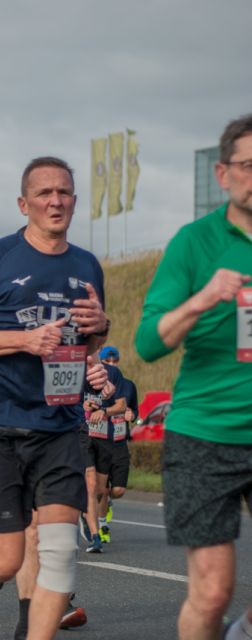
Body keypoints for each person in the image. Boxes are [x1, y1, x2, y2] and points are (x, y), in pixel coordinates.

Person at [0, 156, 109, 640]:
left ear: (75, 201)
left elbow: (86, 341)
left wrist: (100, 329)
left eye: (65, 193)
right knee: (8, 558)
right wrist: (22, 340)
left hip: (59, 424)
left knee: (58, 550)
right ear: (24, 203)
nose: (56, 201)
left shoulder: (87, 264)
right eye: (44, 194)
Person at [135, 113, 252, 640]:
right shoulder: (194, 242)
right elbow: (148, 342)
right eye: (249, 166)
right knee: (210, 593)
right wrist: (205, 297)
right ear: (223, 174)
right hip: (205, 435)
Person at [79, 354, 125, 553]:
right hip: (82, 434)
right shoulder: (76, 369)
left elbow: (121, 405)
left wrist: (104, 412)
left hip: (104, 437)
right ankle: (95, 537)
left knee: (99, 491)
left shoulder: (113, 373)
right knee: (89, 484)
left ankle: (85, 513)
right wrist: (83, 406)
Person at [96, 345, 136, 544]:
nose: (111, 364)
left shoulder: (128, 385)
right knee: (100, 489)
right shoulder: (94, 383)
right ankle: (103, 525)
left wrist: (132, 415)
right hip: (101, 441)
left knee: (118, 490)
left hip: (120, 442)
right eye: (107, 361)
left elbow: (134, 411)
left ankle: (107, 502)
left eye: (115, 361)